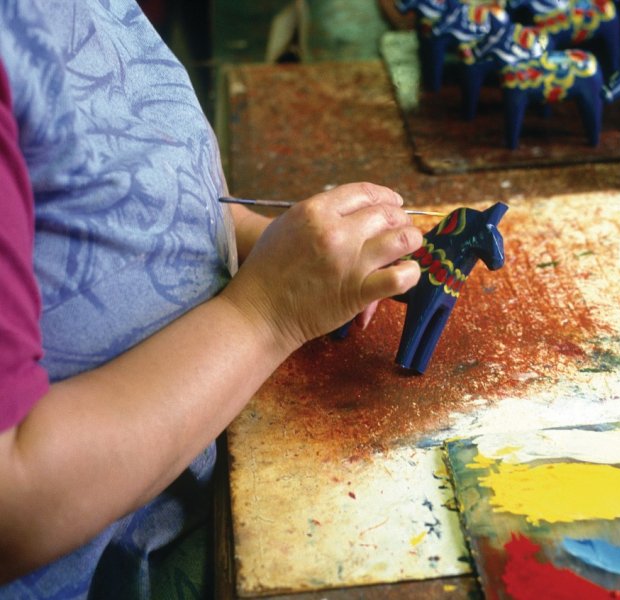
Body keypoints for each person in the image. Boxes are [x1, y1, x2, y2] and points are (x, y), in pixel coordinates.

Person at [0, 1, 424, 597]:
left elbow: (127, 186)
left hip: (198, 478)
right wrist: (267, 311)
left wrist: (261, 243)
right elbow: (13, 501)